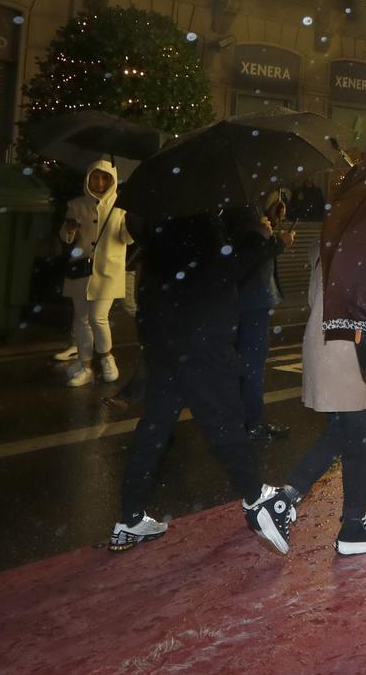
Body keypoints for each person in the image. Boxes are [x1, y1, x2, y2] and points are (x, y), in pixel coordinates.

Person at [108, 211, 292, 555]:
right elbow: (224, 273)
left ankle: (129, 517)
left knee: (154, 428)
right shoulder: (200, 223)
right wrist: (259, 240)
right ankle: (258, 501)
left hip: (163, 342)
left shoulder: (161, 228)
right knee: (224, 421)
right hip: (201, 343)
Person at [261, 244, 366, 556]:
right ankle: (284, 498)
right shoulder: (365, 245)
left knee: (355, 440)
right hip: (349, 353)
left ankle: (353, 523)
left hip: (325, 345)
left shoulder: (327, 240)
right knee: (350, 435)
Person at [57, 160, 134, 387]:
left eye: (104, 178)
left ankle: (107, 357)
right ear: (88, 178)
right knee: (81, 319)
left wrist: (131, 224)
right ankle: (85, 364)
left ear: (111, 181)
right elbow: (65, 237)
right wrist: (69, 229)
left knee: (98, 318)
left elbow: (127, 239)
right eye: (95, 177)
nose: (99, 182)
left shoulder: (121, 207)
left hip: (108, 271)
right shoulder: (77, 205)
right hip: (81, 268)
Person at [224, 195, 293, 441]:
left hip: (244, 300)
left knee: (242, 363)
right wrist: (278, 243)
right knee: (251, 365)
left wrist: (271, 220)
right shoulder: (241, 209)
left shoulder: (240, 205)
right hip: (250, 300)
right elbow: (247, 253)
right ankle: (252, 424)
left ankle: (238, 421)